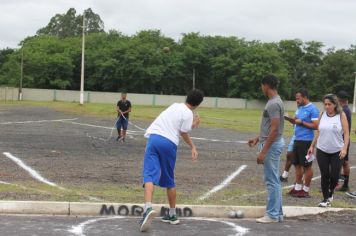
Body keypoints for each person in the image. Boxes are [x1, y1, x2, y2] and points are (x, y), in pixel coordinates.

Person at [139, 89, 204, 232]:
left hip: (154, 138)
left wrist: (192, 124)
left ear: (187, 97)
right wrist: (193, 146)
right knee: (169, 178)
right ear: (198, 104)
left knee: (149, 174)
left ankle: (148, 207)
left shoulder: (175, 105)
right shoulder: (189, 113)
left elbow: (177, 125)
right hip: (169, 144)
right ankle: (173, 215)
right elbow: (183, 132)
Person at [248, 74, 285, 223]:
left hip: (272, 145)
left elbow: (275, 129)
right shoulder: (275, 101)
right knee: (274, 180)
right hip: (272, 142)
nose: (261, 88)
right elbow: (270, 127)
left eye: (262, 85)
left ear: (266, 86)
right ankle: (278, 213)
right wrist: (258, 138)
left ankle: (272, 215)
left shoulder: (273, 103)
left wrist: (263, 152)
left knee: (272, 181)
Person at [307, 94, 349, 207]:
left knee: (335, 176)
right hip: (322, 149)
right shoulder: (322, 114)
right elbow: (318, 131)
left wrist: (344, 148)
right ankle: (325, 199)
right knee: (324, 175)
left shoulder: (341, 115)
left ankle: (331, 194)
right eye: (325, 104)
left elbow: (346, 133)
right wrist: (312, 146)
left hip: (337, 151)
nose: (327, 106)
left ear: (335, 104)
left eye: (329, 104)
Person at [288, 89, 319, 198]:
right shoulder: (300, 108)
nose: (296, 100)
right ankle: (297, 188)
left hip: (306, 141)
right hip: (297, 139)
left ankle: (305, 190)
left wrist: (302, 122)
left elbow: (316, 126)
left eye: (298, 98)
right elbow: (295, 120)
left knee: (307, 166)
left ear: (305, 97)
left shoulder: (313, 109)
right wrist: (289, 119)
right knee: (297, 164)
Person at [335, 91, 351, 192]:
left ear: (340, 100)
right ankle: (345, 184)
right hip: (344, 140)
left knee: (338, 162)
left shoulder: (344, 111)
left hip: (342, 141)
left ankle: (337, 184)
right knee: (344, 162)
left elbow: (345, 129)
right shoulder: (346, 110)